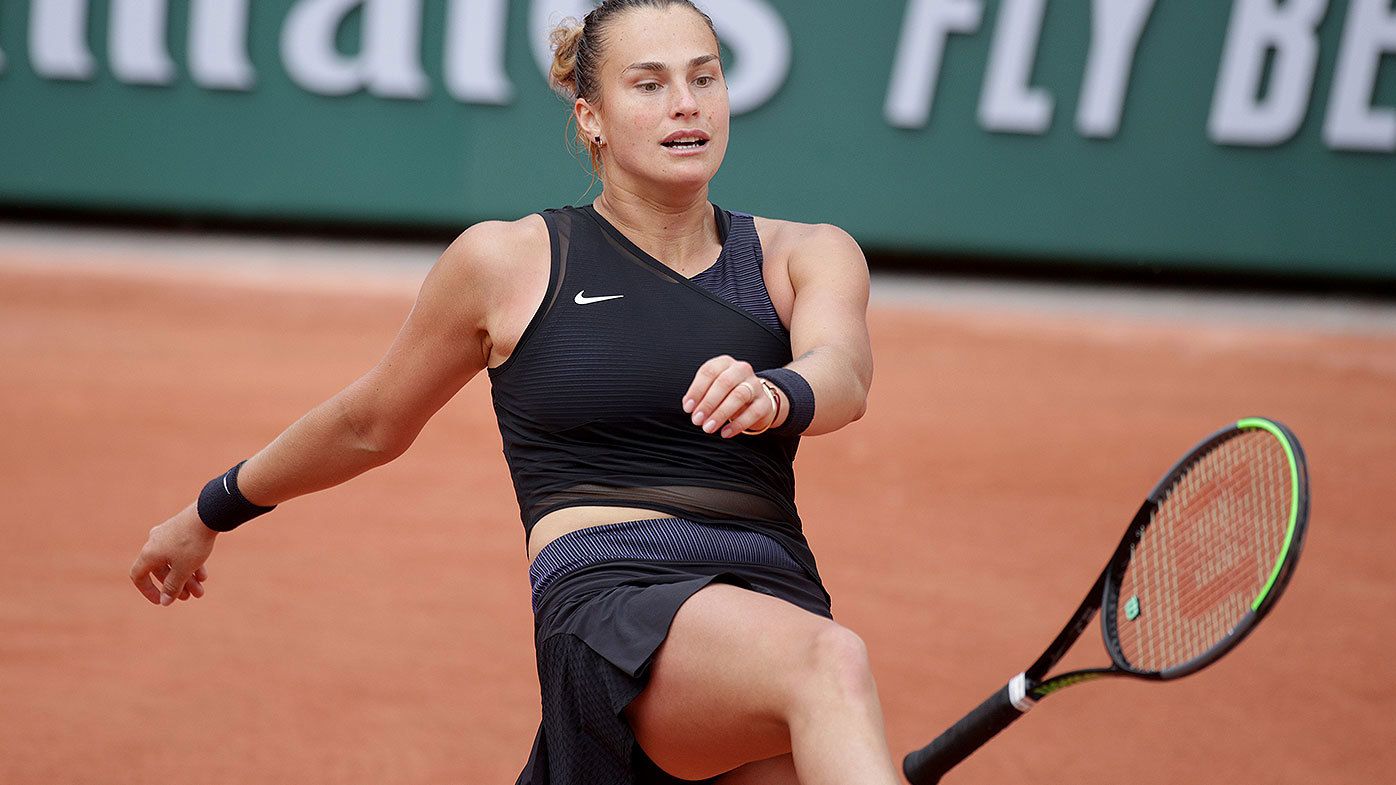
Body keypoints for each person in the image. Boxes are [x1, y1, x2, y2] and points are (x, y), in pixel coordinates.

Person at [129, 1, 895, 782]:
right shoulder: (508, 262)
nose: (687, 104)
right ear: (591, 117)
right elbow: (368, 422)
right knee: (830, 664)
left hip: (770, 592)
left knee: (817, 681)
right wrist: (211, 507)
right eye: (650, 84)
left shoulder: (805, 253)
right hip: (613, 591)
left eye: (705, 77)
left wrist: (778, 392)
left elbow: (844, 372)